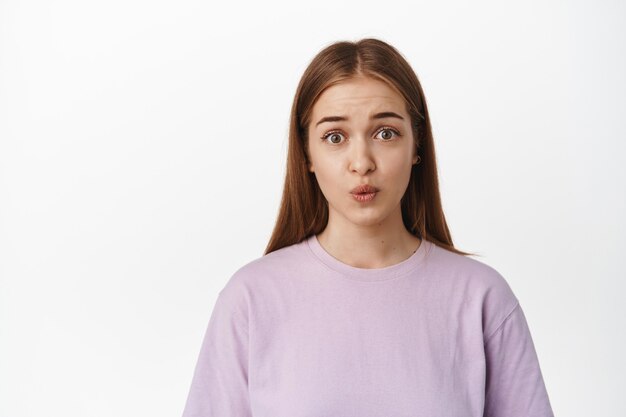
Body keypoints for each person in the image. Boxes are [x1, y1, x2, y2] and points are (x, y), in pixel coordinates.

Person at [181, 38, 555, 417]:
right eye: (335, 137)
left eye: (385, 133)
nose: (361, 162)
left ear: (416, 146)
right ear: (307, 154)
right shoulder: (251, 299)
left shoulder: (480, 298)